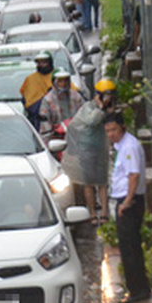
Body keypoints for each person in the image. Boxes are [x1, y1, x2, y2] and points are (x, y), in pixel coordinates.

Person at [106, 112, 152, 303]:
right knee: (129, 246)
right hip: (124, 199)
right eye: (107, 131)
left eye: (113, 129)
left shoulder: (130, 146)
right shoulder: (121, 145)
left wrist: (126, 202)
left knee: (130, 247)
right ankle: (139, 286)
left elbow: (134, 175)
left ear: (122, 127)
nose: (110, 134)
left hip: (129, 201)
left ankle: (137, 290)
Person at [61, 80, 114, 223]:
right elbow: (92, 121)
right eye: (106, 95)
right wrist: (101, 108)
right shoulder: (88, 107)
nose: (109, 98)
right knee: (88, 183)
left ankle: (104, 212)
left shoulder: (111, 109)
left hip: (101, 150)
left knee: (102, 182)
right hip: (86, 150)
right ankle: (91, 213)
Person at [41, 69, 84, 138]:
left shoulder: (76, 96)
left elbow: (84, 115)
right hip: (56, 137)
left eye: (66, 80)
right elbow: (44, 124)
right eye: (60, 81)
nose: (63, 84)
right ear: (54, 82)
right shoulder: (48, 100)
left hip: (76, 135)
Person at [19, 51, 54, 131]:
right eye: (39, 62)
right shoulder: (31, 79)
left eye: (44, 62)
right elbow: (26, 99)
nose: (41, 65)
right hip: (37, 119)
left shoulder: (56, 75)